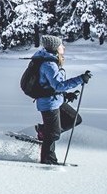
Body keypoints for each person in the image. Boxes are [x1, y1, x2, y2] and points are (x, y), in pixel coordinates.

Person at [31, 35, 91, 165]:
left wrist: (65, 95)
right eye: (61, 45)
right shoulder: (49, 64)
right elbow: (58, 85)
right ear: (54, 48)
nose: (63, 47)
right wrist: (80, 79)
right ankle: (48, 161)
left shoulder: (50, 60)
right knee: (52, 135)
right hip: (48, 104)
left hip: (55, 100)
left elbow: (52, 85)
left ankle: (44, 131)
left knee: (75, 119)